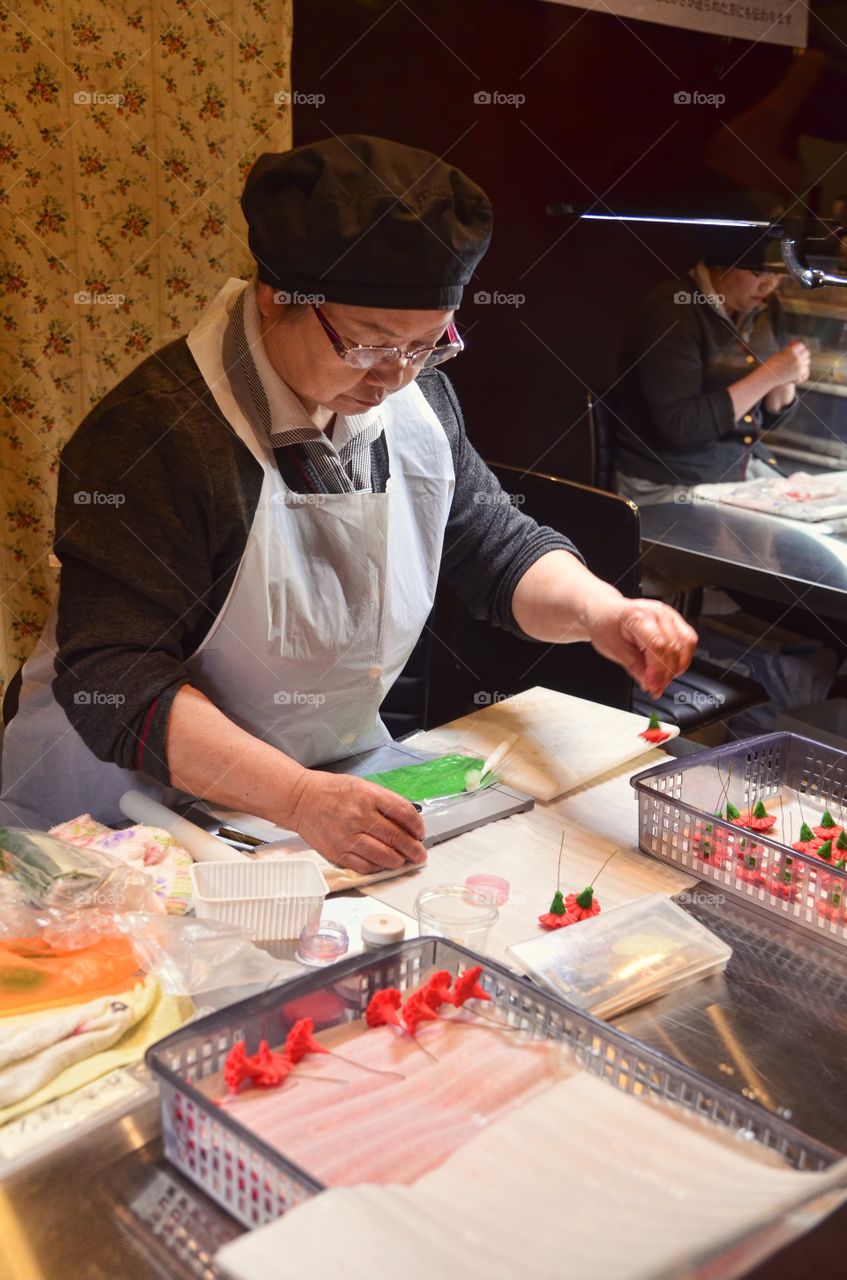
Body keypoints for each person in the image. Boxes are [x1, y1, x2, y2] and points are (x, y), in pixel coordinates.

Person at [0, 136, 697, 873]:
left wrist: (601, 612)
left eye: (429, 344)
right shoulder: (161, 432)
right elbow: (115, 677)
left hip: (304, 801)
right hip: (115, 813)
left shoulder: (418, 394)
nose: (395, 377)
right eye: (367, 345)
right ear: (277, 299)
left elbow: (491, 543)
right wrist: (296, 798)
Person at [615, 223, 811, 505]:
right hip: (669, 482)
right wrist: (771, 374)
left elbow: (770, 417)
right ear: (722, 264)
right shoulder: (672, 310)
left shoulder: (763, 307)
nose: (769, 285)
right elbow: (682, 428)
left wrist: (785, 378)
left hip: (737, 468)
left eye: (778, 274)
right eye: (758, 273)